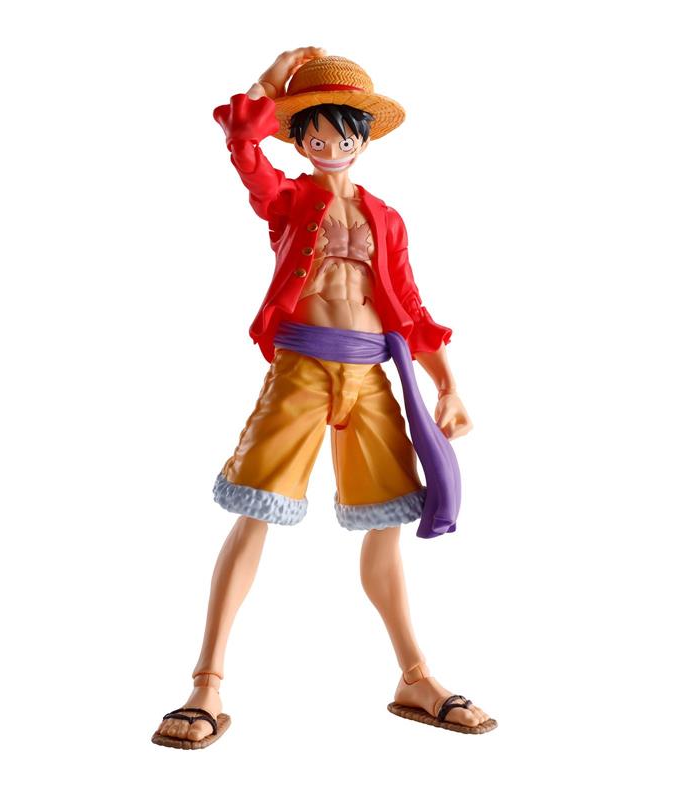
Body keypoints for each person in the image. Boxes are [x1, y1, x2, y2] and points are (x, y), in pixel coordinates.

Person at [152, 47, 496, 750]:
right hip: (302, 371)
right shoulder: (288, 200)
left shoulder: (386, 218)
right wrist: (268, 82)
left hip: (370, 379)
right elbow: (243, 146)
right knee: (255, 513)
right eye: (316, 135)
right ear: (300, 139)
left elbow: (409, 308)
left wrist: (449, 383)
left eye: (344, 136)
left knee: (385, 526)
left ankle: (415, 676)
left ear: (364, 138)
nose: (332, 148)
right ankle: (207, 682)